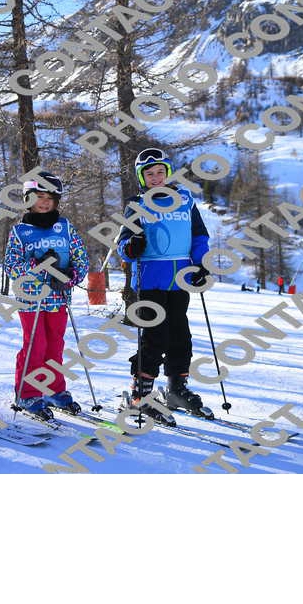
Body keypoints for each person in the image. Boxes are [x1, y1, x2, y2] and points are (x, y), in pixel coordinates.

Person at [116, 147, 210, 420]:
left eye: (160, 172)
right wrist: (131, 246)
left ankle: (176, 388)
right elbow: (123, 244)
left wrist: (201, 263)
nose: (156, 177)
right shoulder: (137, 205)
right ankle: (141, 394)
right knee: (155, 337)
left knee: (180, 335)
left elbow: (199, 236)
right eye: (150, 174)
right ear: (141, 177)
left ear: (168, 173)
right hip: (150, 280)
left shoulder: (185, 200)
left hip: (180, 280)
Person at [3, 172, 89, 421]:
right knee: (35, 345)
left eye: (50, 198)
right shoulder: (20, 231)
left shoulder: (64, 227)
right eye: (39, 197)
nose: (44, 202)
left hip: (58, 298)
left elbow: (81, 258)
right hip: (31, 299)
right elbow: (11, 266)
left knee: (55, 345)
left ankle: (53, 389)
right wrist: (37, 265)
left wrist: (70, 276)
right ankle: (27, 393)